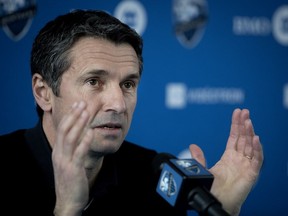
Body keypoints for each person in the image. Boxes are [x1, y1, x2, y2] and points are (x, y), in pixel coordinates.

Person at [0, 9, 264, 216]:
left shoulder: (156, 176)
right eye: (94, 81)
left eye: (128, 84)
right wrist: (67, 211)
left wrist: (223, 210)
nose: (118, 103)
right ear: (43, 92)